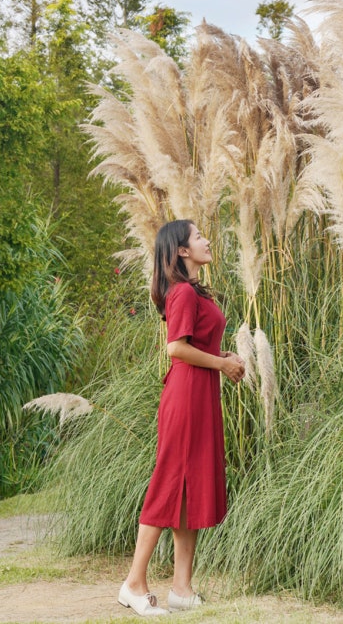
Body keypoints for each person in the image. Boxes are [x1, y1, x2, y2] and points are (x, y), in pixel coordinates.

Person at [118, 219, 245, 616]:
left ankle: (181, 589)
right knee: (170, 482)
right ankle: (134, 584)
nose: (208, 240)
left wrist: (223, 357)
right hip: (186, 397)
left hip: (198, 394)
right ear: (182, 251)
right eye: (199, 236)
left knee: (189, 489)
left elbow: (195, 343)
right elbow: (175, 348)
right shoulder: (183, 293)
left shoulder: (192, 293)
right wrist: (221, 366)